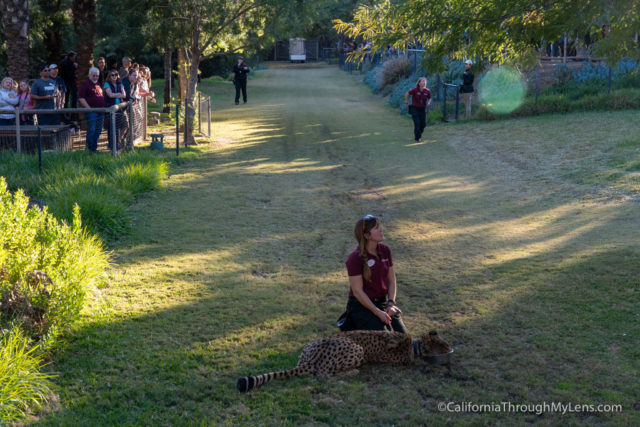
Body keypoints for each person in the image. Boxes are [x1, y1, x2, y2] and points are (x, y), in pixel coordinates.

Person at [340, 215, 407, 333]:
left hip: (383, 303)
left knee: (403, 338)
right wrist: (377, 312)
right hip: (362, 306)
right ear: (367, 236)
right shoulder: (355, 258)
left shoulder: (385, 250)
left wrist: (390, 303)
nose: (381, 229)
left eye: (379, 225)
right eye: (376, 227)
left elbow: (392, 280)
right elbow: (357, 292)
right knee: (385, 342)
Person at [78, 67, 105, 152]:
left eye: (97, 75)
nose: (95, 77)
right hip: (92, 112)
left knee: (98, 130)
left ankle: (94, 148)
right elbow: (81, 98)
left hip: (101, 111)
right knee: (92, 130)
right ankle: (89, 149)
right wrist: (89, 109)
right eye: (94, 75)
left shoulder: (98, 84)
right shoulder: (85, 84)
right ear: (89, 75)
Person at [103, 69, 128, 149]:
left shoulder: (120, 84)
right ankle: (112, 146)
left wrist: (116, 94)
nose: (114, 76)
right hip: (111, 108)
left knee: (124, 125)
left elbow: (124, 95)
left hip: (120, 107)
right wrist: (119, 94)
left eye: (116, 75)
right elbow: (110, 95)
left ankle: (119, 141)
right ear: (109, 76)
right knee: (112, 128)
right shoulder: (107, 84)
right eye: (112, 75)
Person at [404, 77, 431, 142]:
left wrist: (429, 102)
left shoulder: (427, 91)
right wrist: (406, 102)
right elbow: (407, 93)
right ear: (419, 83)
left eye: (425, 82)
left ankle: (418, 134)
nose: (424, 83)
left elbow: (429, 98)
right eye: (422, 81)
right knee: (417, 123)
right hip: (415, 109)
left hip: (422, 109)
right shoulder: (415, 90)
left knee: (423, 124)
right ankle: (418, 138)